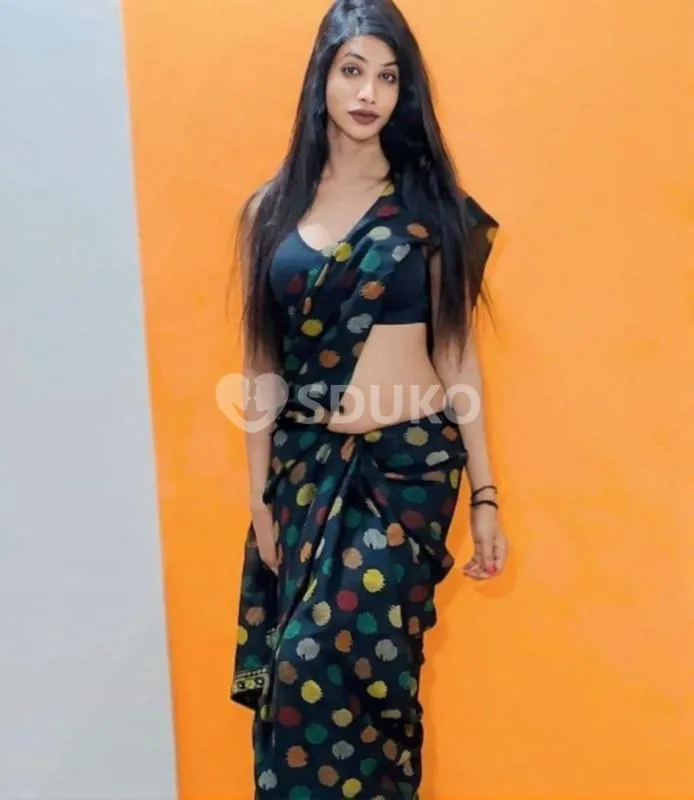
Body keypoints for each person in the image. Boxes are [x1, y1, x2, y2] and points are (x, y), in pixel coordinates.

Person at [229, 0, 509, 797]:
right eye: (352, 71)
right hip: (304, 474)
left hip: (405, 475)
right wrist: (259, 498)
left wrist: (486, 494)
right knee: (294, 684)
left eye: (387, 77)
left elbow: (456, 354)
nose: (367, 93)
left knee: (352, 665)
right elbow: (260, 365)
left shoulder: (430, 210)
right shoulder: (269, 212)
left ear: (403, 91)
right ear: (321, 78)